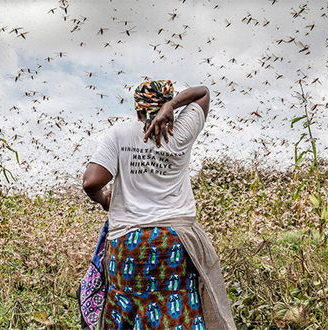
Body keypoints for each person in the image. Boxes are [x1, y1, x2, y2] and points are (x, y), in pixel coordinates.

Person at [83, 80, 236, 330]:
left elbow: (91, 182)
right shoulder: (183, 130)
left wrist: (104, 200)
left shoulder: (120, 134)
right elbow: (204, 92)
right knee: (178, 312)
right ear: (167, 107)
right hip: (176, 243)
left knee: (128, 310)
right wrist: (173, 106)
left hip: (129, 245)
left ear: (138, 110)